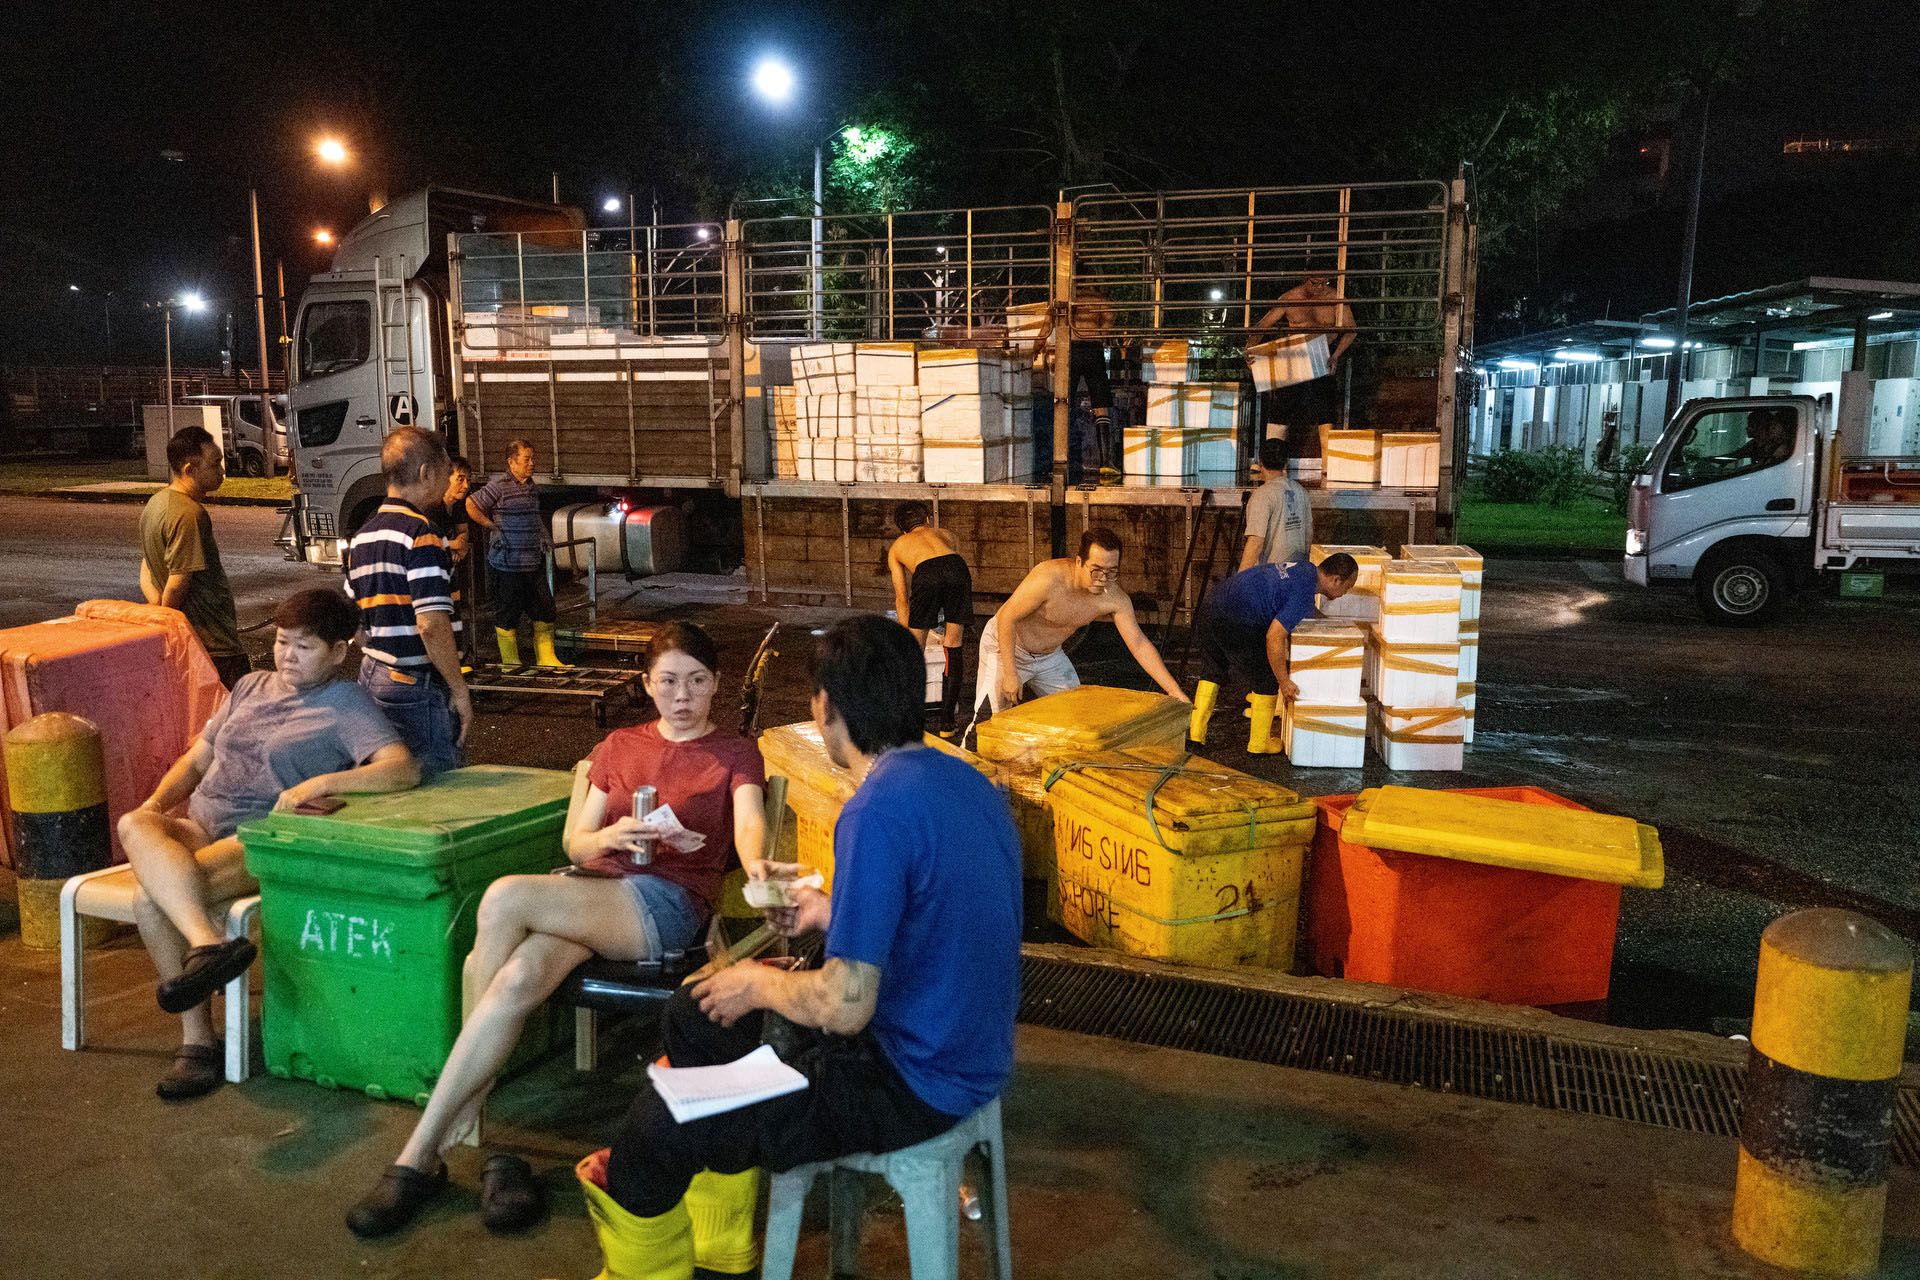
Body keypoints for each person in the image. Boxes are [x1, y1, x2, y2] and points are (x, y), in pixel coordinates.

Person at [572, 614, 1020, 1279]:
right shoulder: (962, 781)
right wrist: (829, 910)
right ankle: (722, 1240)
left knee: (655, 1126)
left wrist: (758, 982)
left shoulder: (876, 810)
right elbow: (939, 907)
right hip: (969, 1049)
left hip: (909, 1083)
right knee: (693, 1012)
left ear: (827, 708)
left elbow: (845, 1004)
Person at [346, 622, 767, 1241]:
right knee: (515, 976)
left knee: (505, 897)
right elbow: (577, 840)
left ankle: (458, 1131)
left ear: (716, 685)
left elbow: (751, 825)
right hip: (593, 891)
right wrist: (611, 838)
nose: (683, 695)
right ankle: (424, 1149)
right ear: (648, 684)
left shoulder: (735, 752)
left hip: (669, 905)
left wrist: (760, 871)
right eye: (670, 681)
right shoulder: (620, 745)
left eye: (697, 681)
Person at [116, 588, 419, 1099]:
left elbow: (401, 768)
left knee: (152, 899)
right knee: (133, 823)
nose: (288, 656)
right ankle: (210, 946)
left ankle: (197, 1043)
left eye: (304, 647)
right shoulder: (250, 686)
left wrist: (318, 785)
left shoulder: (344, 701)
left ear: (339, 652)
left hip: (262, 837)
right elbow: (196, 761)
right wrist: (155, 806)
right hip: (200, 824)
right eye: (282, 643)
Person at [344, 426, 471, 779]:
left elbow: (352, 618)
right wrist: (459, 689)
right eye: (446, 472)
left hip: (374, 676)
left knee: (389, 783)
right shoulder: (422, 534)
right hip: (417, 685)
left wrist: (384, 650)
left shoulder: (364, 534)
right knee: (434, 788)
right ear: (425, 473)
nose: (448, 482)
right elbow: (431, 624)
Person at [976, 527, 1191, 714]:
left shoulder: (1115, 598)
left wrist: (1173, 690)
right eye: (1096, 571)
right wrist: (1011, 673)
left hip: (1049, 656)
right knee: (990, 718)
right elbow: (1006, 617)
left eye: (1111, 572)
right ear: (1079, 562)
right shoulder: (1049, 577)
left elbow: (1139, 644)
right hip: (1005, 647)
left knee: (1077, 713)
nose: (1103, 580)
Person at [1188, 553, 1358, 755]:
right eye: (1347, 587)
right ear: (1335, 580)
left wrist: (1330, 625)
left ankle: (1195, 736)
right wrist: (1284, 681)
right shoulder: (1303, 594)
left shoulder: (1304, 569)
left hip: (1211, 607)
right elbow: (1274, 637)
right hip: (1238, 620)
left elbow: (1297, 605)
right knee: (1267, 676)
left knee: (1212, 671)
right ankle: (1259, 744)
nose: (1345, 593)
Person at [138, 425, 249, 688]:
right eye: (215, 464)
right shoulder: (189, 514)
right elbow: (178, 581)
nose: (222, 471)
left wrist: (158, 608)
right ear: (190, 470)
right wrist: (167, 622)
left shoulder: (155, 504)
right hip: (213, 645)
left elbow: (147, 567)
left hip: (194, 641)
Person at [467, 438, 563, 668]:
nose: (532, 463)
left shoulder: (531, 487)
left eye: (532, 458)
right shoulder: (499, 485)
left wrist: (545, 538)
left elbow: (534, 516)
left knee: (544, 609)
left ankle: (546, 659)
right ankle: (511, 662)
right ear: (511, 462)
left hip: (532, 561)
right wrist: (491, 526)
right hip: (507, 564)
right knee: (508, 612)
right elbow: (472, 504)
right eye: (526, 459)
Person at [886, 500, 972, 730]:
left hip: (926, 573)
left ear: (903, 529)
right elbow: (949, 565)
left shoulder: (898, 546)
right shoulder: (944, 534)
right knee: (953, 644)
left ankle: (910, 719)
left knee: (915, 651)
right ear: (927, 520)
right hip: (957, 568)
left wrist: (908, 634)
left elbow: (902, 597)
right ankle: (947, 723)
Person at [1249, 274, 1357, 454]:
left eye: (1325, 282)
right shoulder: (1290, 298)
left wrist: (1336, 355)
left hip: (1322, 354)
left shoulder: (1336, 299)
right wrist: (1251, 350)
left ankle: (1328, 462)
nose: (1320, 287)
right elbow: (1262, 325)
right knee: (1281, 407)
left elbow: (1351, 330)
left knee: (1325, 408)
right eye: (1315, 282)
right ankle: (1271, 459)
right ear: (1305, 279)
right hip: (1294, 356)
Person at [1238, 436, 1313, 571]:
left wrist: (1238, 583)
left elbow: (1255, 544)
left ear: (1260, 462)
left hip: (1272, 579)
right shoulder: (1301, 491)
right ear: (1286, 463)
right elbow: (1308, 538)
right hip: (1297, 574)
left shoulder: (1262, 495)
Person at [436, 455, 475, 659]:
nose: (466, 485)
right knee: (440, 611)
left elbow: (464, 534)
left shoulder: (459, 505)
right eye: (460, 478)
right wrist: (452, 545)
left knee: (456, 607)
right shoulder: (433, 506)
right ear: (446, 478)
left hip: (451, 566)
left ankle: (459, 654)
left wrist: (458, 547)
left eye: (468, 479)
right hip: (433, 569)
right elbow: (427, 539)